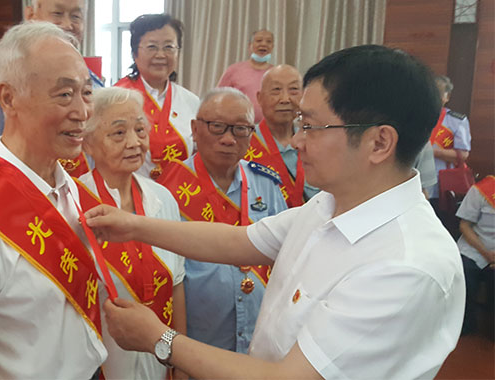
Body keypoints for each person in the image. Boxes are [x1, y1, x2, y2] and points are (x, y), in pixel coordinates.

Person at [85, 45, 465, 379]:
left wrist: (159, 339)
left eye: (311, 126)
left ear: (379, 142)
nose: (296, 140)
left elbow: (289, 377)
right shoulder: (330, 204)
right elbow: (240, 241)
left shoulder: (405, 266)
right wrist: (132, 226)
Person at [0, 22, 107, 378]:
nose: (82, 111)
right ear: (8, 98)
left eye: (86, 92)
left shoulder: (73, 191)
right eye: (64, 94)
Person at [157, 87, 286, 355]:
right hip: (196, 343)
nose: (228, 139)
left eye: (240, 129)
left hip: (260, 342)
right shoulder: (168, 190)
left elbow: (285, 258)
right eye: (217, 127)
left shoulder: (267, 184)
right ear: (195, 129)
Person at [75, 86, 187, 379]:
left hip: (159, 361)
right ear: (87, 144)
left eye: (140, 130)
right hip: (99, 365)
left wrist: (182, 363)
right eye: (118, 133)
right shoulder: (74, 204)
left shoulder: (163, 198)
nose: (134, 142)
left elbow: (177, 283)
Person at [0, 0, 104, 152]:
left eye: (76, 16)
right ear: (31, 15)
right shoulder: (1, 84)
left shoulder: (94, 84)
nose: (67, 25)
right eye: (57, 13)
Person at [115, 13, 200, 180]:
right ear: (134, 53)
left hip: (179, 191)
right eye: (152, 47)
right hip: (126, 191)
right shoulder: (117, 98)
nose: (161, 55)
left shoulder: (191, 101)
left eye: (169, 47)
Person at [244, 64, 318, 208]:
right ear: (259, 98)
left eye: (293, 90)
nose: (285, 99)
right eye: (276, 90)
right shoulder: (244, 142)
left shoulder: (314, 139)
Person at [455, 175, 495, 334]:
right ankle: (465, 325)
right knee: (466, 272)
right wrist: (486, 253)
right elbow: (464, 226)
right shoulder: (482, 190)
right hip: (475, 248)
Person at [429, 75, 472, 206]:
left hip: (442, 184)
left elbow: (463, 154)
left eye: (439, 93)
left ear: (447, 97)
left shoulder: (457, 121)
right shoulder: (415, 118)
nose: (434, 97)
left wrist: (431, 152)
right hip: (416, 181)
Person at [217, 30, 275, 123]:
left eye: (268, 41)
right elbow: (218, 97)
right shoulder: (234, 70)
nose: (264, 44)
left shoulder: (276, 73)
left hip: (268, 126)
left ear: (272, 47)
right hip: (238, 124)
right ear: (250, 46)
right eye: (259, 40)